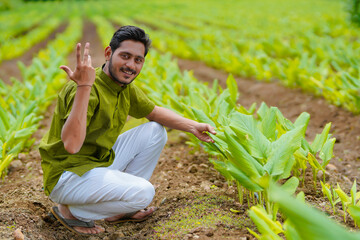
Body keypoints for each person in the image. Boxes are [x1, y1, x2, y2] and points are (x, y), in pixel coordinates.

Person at [39, 25, 216, 235]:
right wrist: (84, 87)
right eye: (125, 56)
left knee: (155, 131)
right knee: (144, 192)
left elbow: (155, 113)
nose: (131, 65)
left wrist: (193, 126)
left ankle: (120, 210)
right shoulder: (87, 88)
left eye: (138, 60)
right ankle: (72, 212)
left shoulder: (124, 89)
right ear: (108, 53)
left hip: (95, 164)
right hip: (68, 175)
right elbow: (71, 144)